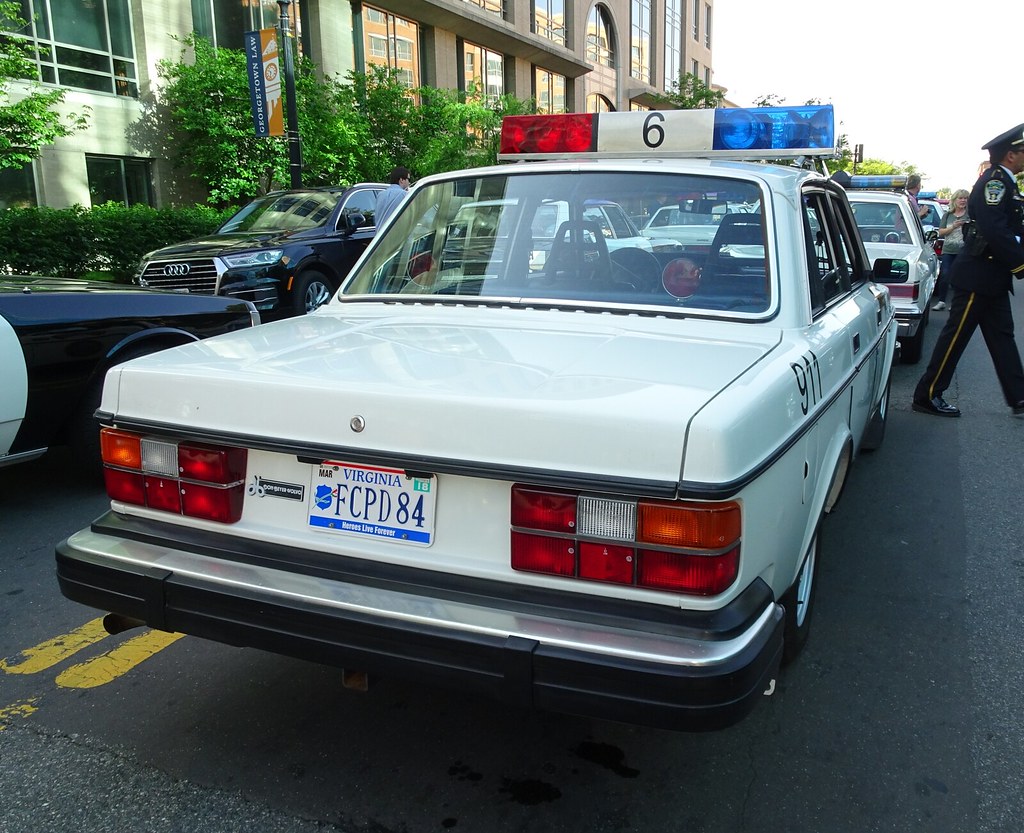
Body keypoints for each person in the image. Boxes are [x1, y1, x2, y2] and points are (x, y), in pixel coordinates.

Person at [912, 124, 1024, 418]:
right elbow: (994, 229)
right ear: (1011, 155)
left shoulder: (1005, 182)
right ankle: (928, 394)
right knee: (955, 337)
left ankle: (1020, 397)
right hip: (979, 276)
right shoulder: (995, 183)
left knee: (1002, 337)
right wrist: (1021, 263)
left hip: (991, 278)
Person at [931, 188, 970, 311]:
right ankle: (942, 301)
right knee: (945, 275)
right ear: (954, 200)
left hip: (963, 251)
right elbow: (941, 232)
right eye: (960, 198)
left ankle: (956, 303)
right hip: (948, 250)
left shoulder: (969, 215)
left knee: (960, 278)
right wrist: (953, 226)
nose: (963, 200)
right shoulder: (948, 215)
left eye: (965, 198)